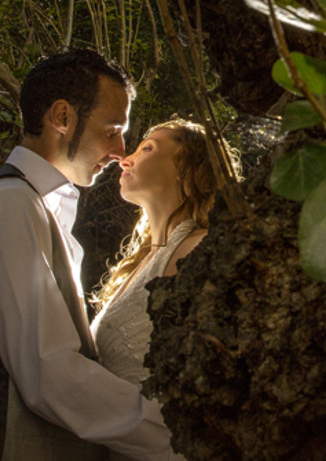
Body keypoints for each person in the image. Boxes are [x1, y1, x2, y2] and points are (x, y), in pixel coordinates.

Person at [0, 49, 175, 460]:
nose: (121, 149)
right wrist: (179, 438)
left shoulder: (38, 205)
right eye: (113, 129)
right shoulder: (6, 204)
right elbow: (49, 372)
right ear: (62, 117)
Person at [90, 119, 239, 461]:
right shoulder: (140, 261)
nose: (125, 159)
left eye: (148, 148)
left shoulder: (202, 250)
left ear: (187, 169)